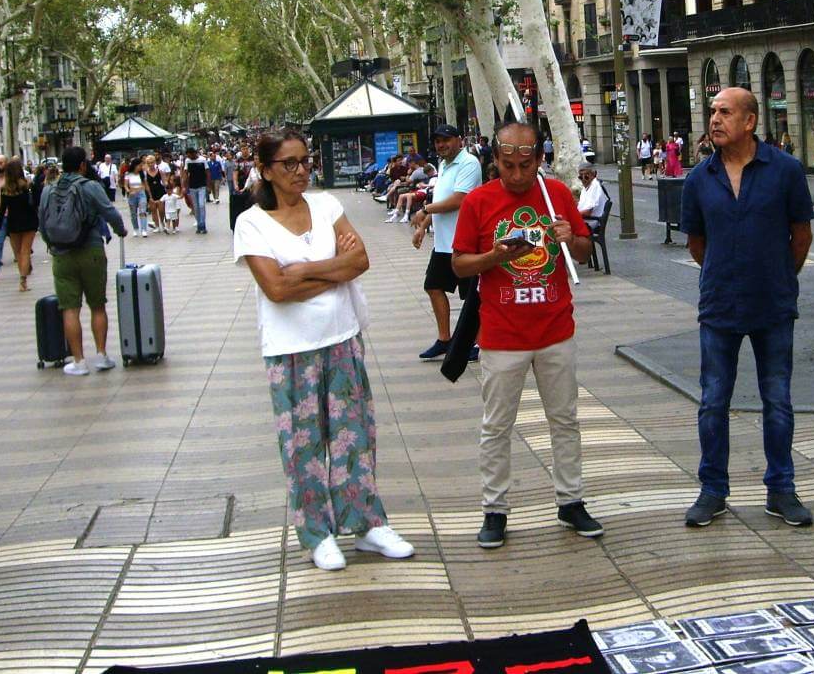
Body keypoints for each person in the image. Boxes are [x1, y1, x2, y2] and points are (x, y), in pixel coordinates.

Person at [233, 130, 413, 571]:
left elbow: (361, 261)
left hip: (342, 337)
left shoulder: (328, 206)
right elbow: (275, 288)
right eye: (288, 164)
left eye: (305, 161)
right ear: (266, 170)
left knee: (356, 434)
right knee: (303, 444)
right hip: (290, 349)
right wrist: (335, 270)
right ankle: (317, 533)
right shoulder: (251, 222)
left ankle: (367, 523)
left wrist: (305, 271)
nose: (300, 171)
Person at [452, 122, 600, 549]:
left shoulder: (555, 195)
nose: (516, 175)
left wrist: (572, 238)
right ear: (494, 160)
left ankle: (571, 501)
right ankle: (494, 509)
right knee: (497, 426)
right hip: (501, 335)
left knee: (565, 420)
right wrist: (493, 257)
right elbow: (460, 265)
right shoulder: (478, 202)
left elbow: (585, 251)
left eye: (525, 165)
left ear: (539, 160)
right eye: (507, 165)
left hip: (556, 329)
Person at [679, 88, 814, 529]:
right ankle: (712, 490)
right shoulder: (699, 178)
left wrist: (775, 276)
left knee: (777, 400)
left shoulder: (786, 171)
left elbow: (801, 236)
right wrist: (729, 272)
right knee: (712, 402)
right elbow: (697, 244)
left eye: (725, 112)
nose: (715, 119)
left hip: (773, 306)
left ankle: (781, 490)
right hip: (719, 306)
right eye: (713, 112)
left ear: (750, 121)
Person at [39, 145, 127, 376]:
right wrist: (121, 230)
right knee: (97, 305)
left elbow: (42, 223)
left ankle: (78, 361)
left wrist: (54, 244)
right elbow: (111, 213)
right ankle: (101, 355)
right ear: (82, 165)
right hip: (91, 251)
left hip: (61, 256)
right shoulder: (90, 187)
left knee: (69, 309)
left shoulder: (48, 190)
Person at [409, 124, 483, 361]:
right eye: (438, 141)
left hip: (466, 242)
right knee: (433, 286)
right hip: (443, 243)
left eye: (446, 140)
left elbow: (460, 199)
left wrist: (424, 209)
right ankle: (444, 339)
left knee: (473, 296)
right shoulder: (443, 164)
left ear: (459, 140)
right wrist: (423, 225)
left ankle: (478, 342)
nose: (441, 145)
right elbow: (442, 199)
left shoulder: (469, 163)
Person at [0, 159, 39, 292]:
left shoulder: (5, 190)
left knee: (18, 253)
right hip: (29, 222)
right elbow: (36, 203)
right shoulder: (28, 186)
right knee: (25, 251)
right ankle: (23, 280)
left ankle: (22, 277)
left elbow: (2, 211)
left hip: (13, 223)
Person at [184, 147, 212, 234]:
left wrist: (208, 186)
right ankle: (199, 224)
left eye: (190, 155)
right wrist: (185, 186)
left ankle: (202, 225)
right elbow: (186, 174)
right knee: (195, 206)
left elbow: (207, 173)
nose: (189, 157)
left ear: (194, 153)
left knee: (201, 205)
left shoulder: (202, 160)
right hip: (192, 187)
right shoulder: (187, 161)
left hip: (201, 186)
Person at [122, 158, 149, 237]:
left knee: (142, 211)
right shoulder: (128, 174)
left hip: (141, 193)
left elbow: (145, 184)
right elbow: (125, 185)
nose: (141, 167)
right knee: (133, 213)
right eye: (139, 165)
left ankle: (144, 229)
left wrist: (148, 194)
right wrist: (128, 191)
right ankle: (135, 229)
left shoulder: (142, 173)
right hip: (132, 193)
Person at [143, 154, 167, 233]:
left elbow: (164, 182)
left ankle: (162, 222)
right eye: (149, 163)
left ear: (154, 162)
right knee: (153, 210)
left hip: (160, 191)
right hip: (151, 192)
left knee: (161, 210)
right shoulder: (146, 173)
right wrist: (149, 196)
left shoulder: (160, 171)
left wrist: (167, 186)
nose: (150, 164)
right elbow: (146, 186)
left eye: (152, 162)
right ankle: (156, 226)